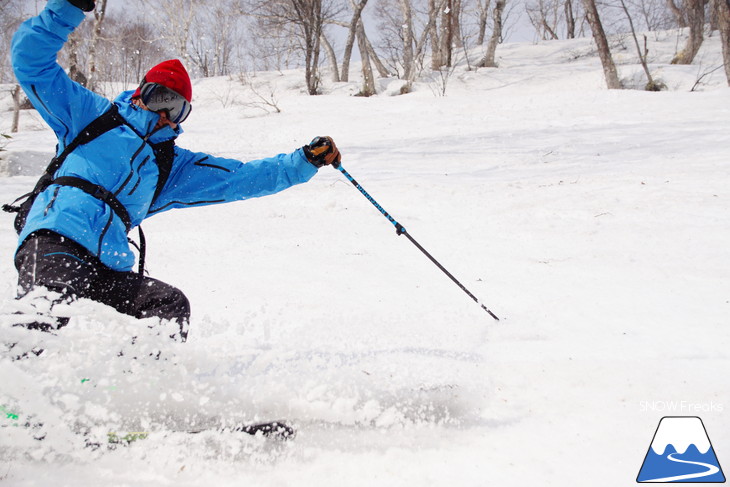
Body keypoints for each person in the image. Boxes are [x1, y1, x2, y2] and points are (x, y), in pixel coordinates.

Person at [9, 0, 341, 341]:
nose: (166, 114)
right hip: (55, 238)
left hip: (108, 263)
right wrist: (67, 8)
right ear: (141, 94)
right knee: (46, 307)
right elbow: (31, 62)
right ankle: (19, 381)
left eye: (178, 108)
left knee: (169, 305)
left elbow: (240, 178)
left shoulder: (169, 166)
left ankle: (137, 385)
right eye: (160, 99)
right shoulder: (92, 117)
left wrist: (304, 161)